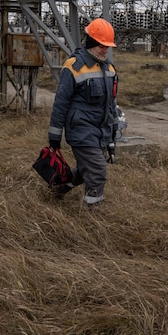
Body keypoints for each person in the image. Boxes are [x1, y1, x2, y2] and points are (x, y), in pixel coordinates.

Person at [47, 18, 119, 207]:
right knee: (97, 172)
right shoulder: (73, 66)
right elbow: (61, 103)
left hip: (101, 130)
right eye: (101, 46)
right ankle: (93, 215)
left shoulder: (109, 68)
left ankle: (59, 188)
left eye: (107, 46)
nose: (105, 50)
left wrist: (113, 130)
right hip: (81, 130)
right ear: (91, 43)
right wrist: (54, 135)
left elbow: (111, 103)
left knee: (85, 169)